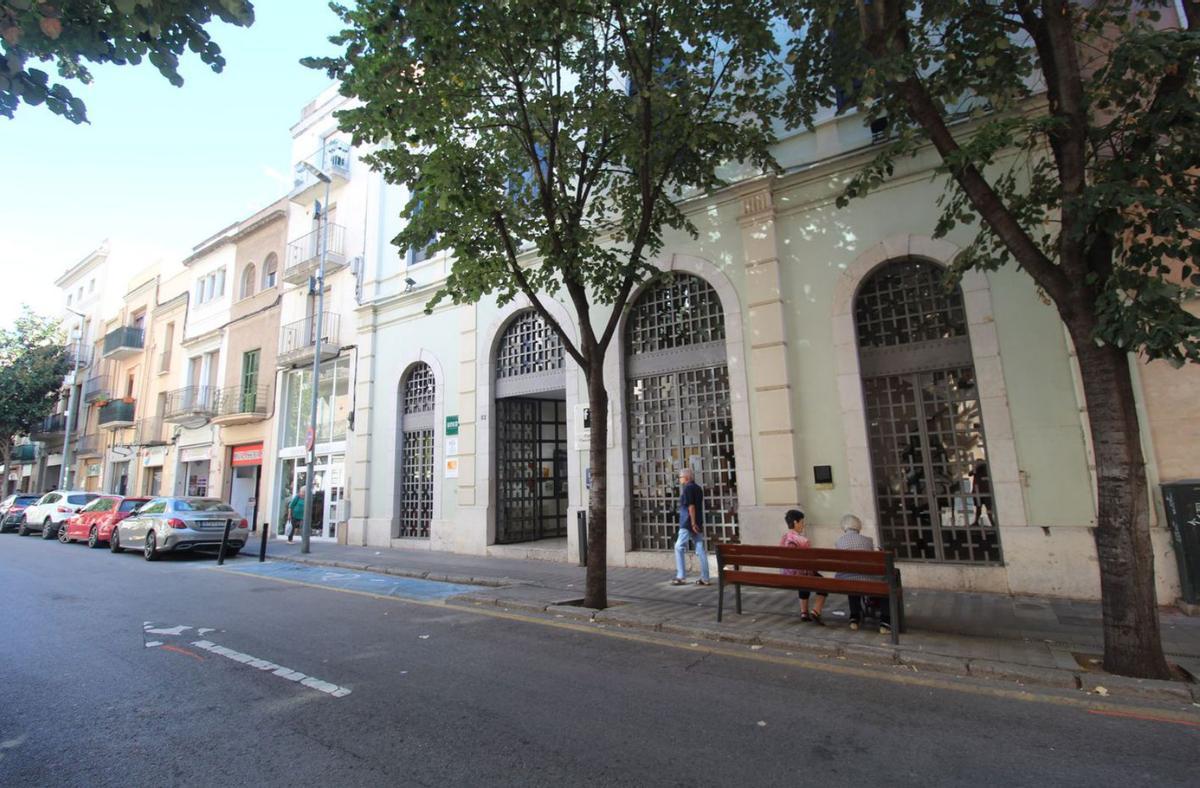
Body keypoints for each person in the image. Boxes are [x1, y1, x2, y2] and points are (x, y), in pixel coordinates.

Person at [834, 514, 891, 634]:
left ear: (844, 527)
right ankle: (885, 621)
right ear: (858, 527)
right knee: (884, 582)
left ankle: (854, 617)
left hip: (845, 580)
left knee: (851, 578)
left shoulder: (839, 541)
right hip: (866, 579)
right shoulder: (868, 540)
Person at [780, 509, 826, 624]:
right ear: (795, 522)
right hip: (800, 573)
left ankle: (804, 612)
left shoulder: (784, 538)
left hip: (786, 574)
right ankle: (816, 610)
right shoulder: (803, 541)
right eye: (802, 522)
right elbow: (809, 561)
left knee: (804, 579)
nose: (803, 525)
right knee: (823, 583)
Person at [672, 468, 710, 586]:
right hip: (697, 522)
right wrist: (696, 523)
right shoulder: (698, 488)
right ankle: (705, 578)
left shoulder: (688, 488)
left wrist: (692, 523)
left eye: (680, 477)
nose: (679, 479)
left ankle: (681, 576)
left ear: (686, 477)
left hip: (688, 523)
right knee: (700, 549)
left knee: (678, 547)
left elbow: (691, 507)